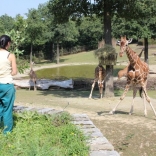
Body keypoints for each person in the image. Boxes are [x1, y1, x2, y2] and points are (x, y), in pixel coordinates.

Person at [0, 35, 17, 134]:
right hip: (6, 85)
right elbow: (14, 72)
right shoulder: (10, 55)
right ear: (8, 43)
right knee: (7, 109)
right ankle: (7, 132)